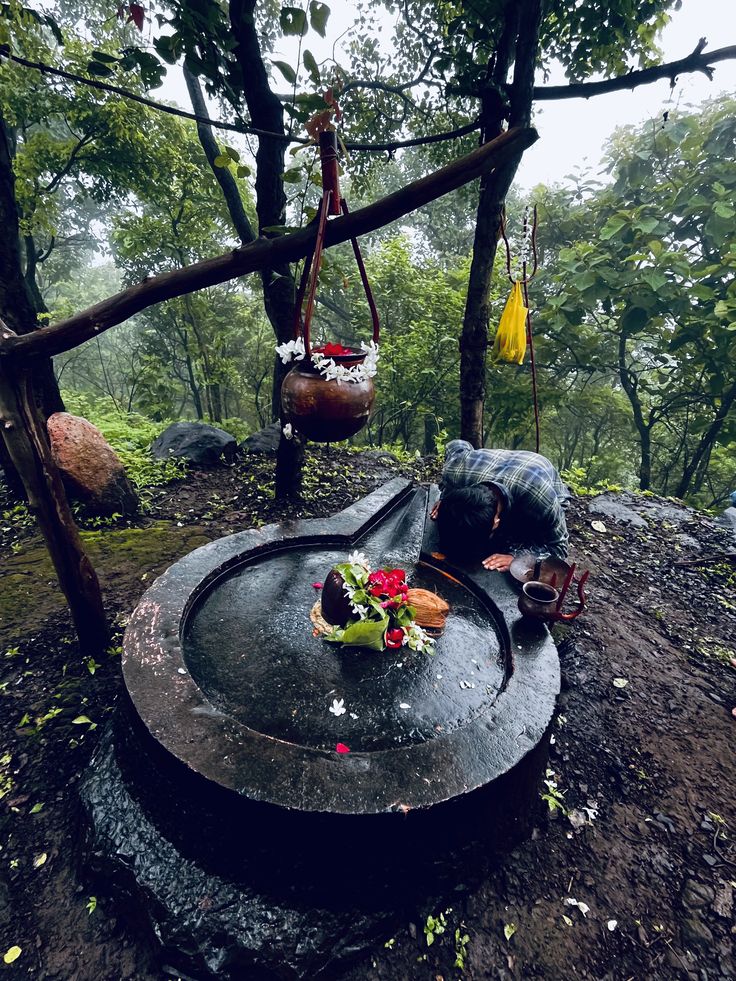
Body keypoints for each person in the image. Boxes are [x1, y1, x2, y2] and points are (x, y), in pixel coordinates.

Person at [432, 439, 569, 572]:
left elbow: (559, 548)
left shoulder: (539, 498)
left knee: (515, 542)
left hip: (537, 478)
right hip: (491, 468)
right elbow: (456, 444)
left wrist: (518, 558)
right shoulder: (455, 470)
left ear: (496, 523)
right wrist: (446, 498)